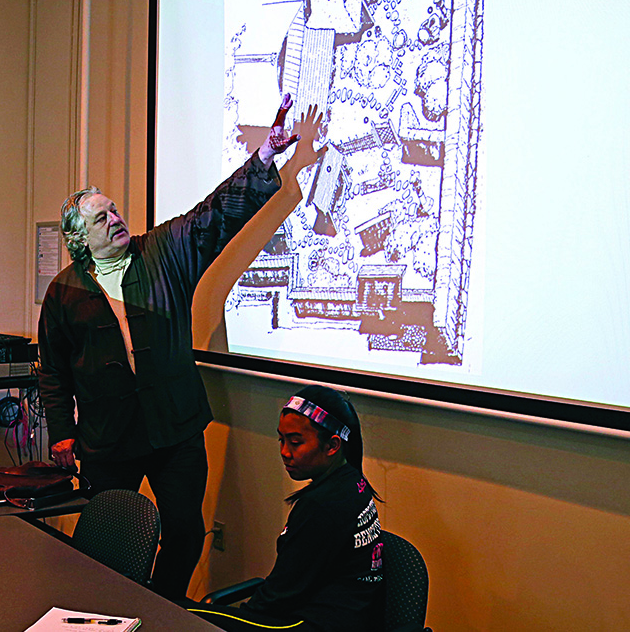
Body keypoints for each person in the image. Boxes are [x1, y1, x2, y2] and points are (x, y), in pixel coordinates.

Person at [38, 94, 316, 599]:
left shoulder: (163, 251)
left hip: (175, 432)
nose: (116, 219)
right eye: (101, 219)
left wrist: (264, 159)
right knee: (107, 543)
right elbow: (53, 370)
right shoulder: (64, 291)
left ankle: (161, 610)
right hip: (107, 439)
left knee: (185, 535)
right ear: (79, 241)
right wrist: (61, 432)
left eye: (114, 210)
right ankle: (109, 614)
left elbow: (213, 215)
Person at [188, 386, 385, 632]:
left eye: (295, 442)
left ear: (332, 445)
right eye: (281, 439)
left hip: (310, 623)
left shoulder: (322, 506)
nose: (284, 452)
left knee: (179, 613)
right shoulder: (354, 483)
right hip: (343, 618)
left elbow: (278, 595)